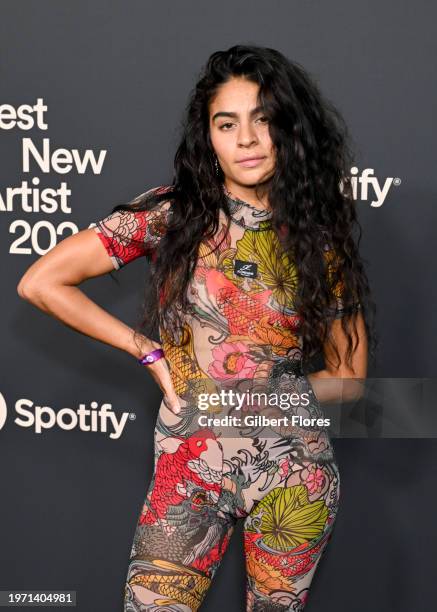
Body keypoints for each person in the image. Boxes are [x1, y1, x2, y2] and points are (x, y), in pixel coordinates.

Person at [17, 45, 373, 611]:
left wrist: (268, 396)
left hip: (293, 474)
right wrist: (147, 351)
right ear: (208, 136)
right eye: (226, 124)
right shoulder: (173, 215)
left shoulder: (320, 241)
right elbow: (40, 283)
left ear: (290, 128)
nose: (247, 140)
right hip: (188, 470)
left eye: (264, 120)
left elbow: (351, 383)